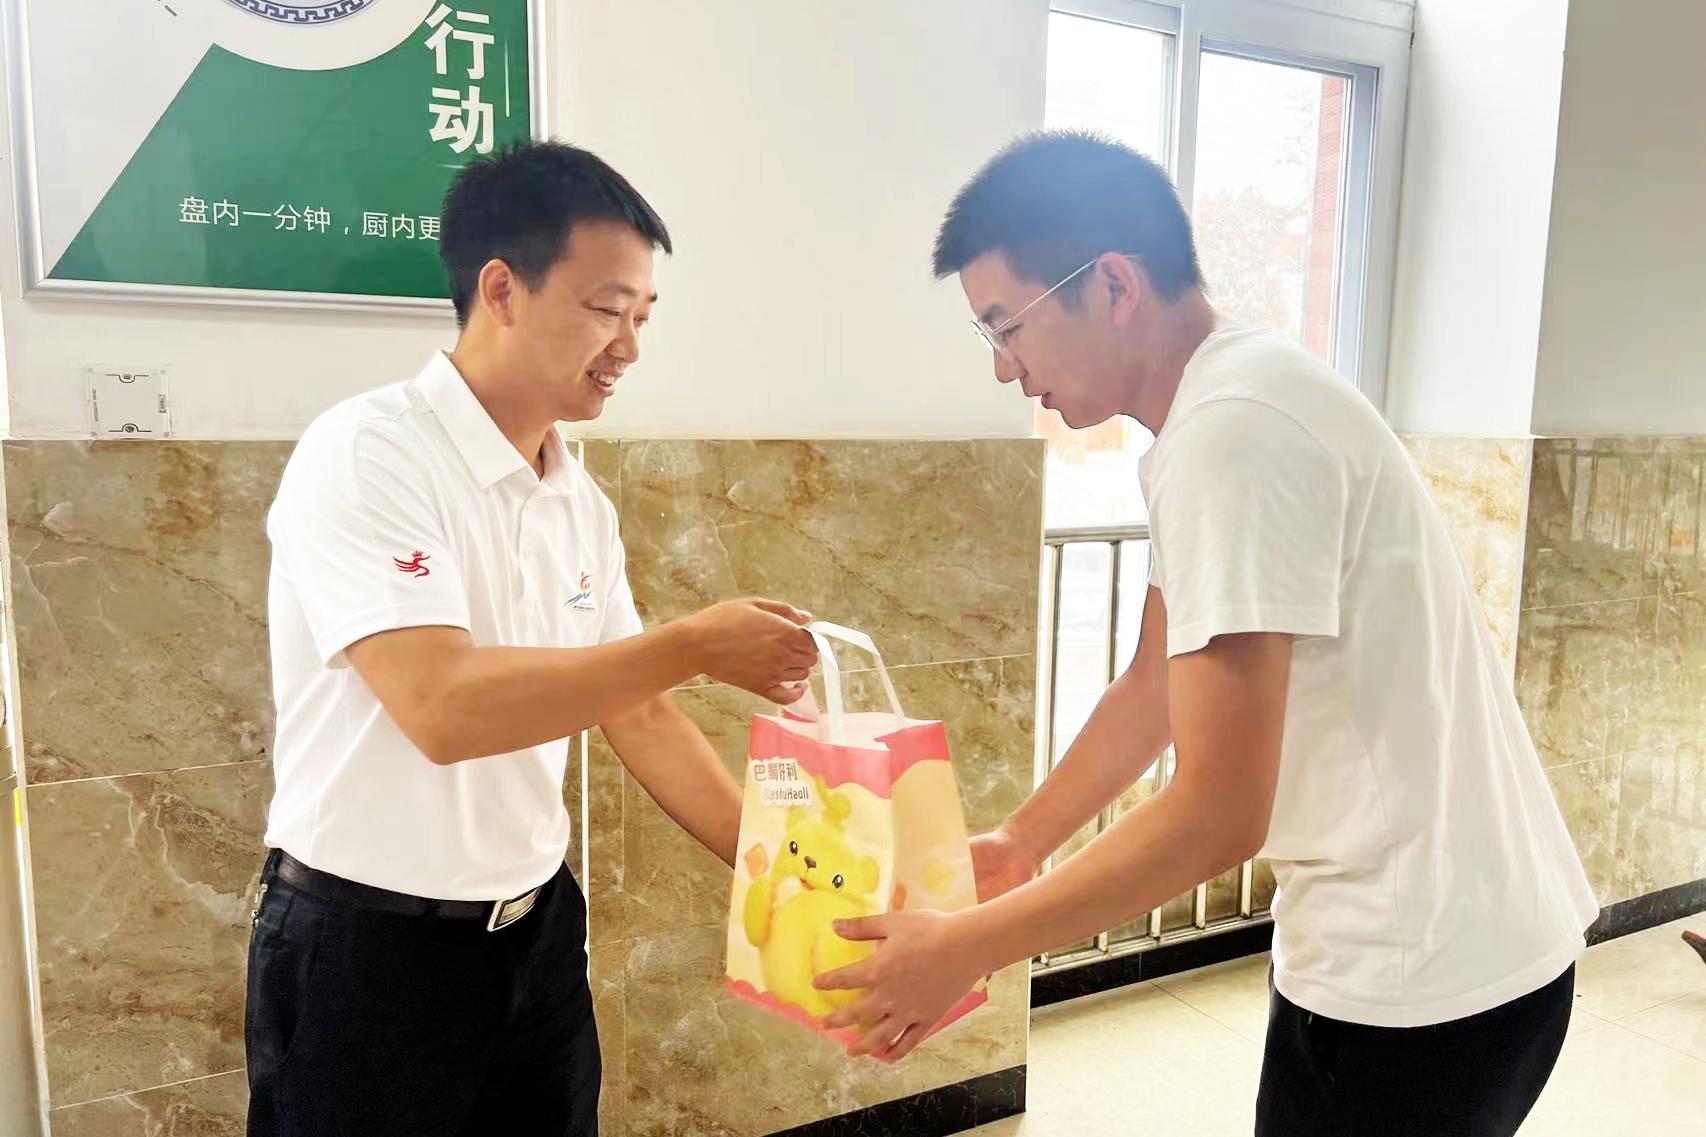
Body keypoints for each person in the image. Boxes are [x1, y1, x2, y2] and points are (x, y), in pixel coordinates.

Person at [814, 131, 1598, 1137]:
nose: (1006, 369)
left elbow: (1219, 815)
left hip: (1418, 976)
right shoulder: (1233, 400)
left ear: (1113, 284)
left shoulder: (1234, 434)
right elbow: (1153, 682)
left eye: (1008, 326)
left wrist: (970, 943)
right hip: (1452, 938)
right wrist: (1020, 842)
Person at [246, 141, 818, 1137]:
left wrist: (787, 875)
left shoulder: (575, 498)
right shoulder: (369, 453)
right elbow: (441, 705)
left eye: (642, 317)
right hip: (367, 947)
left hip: (534, 934)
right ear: (502, 290)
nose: (628, 347)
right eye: (606, 309)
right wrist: (691, 644)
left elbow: (640, 714)